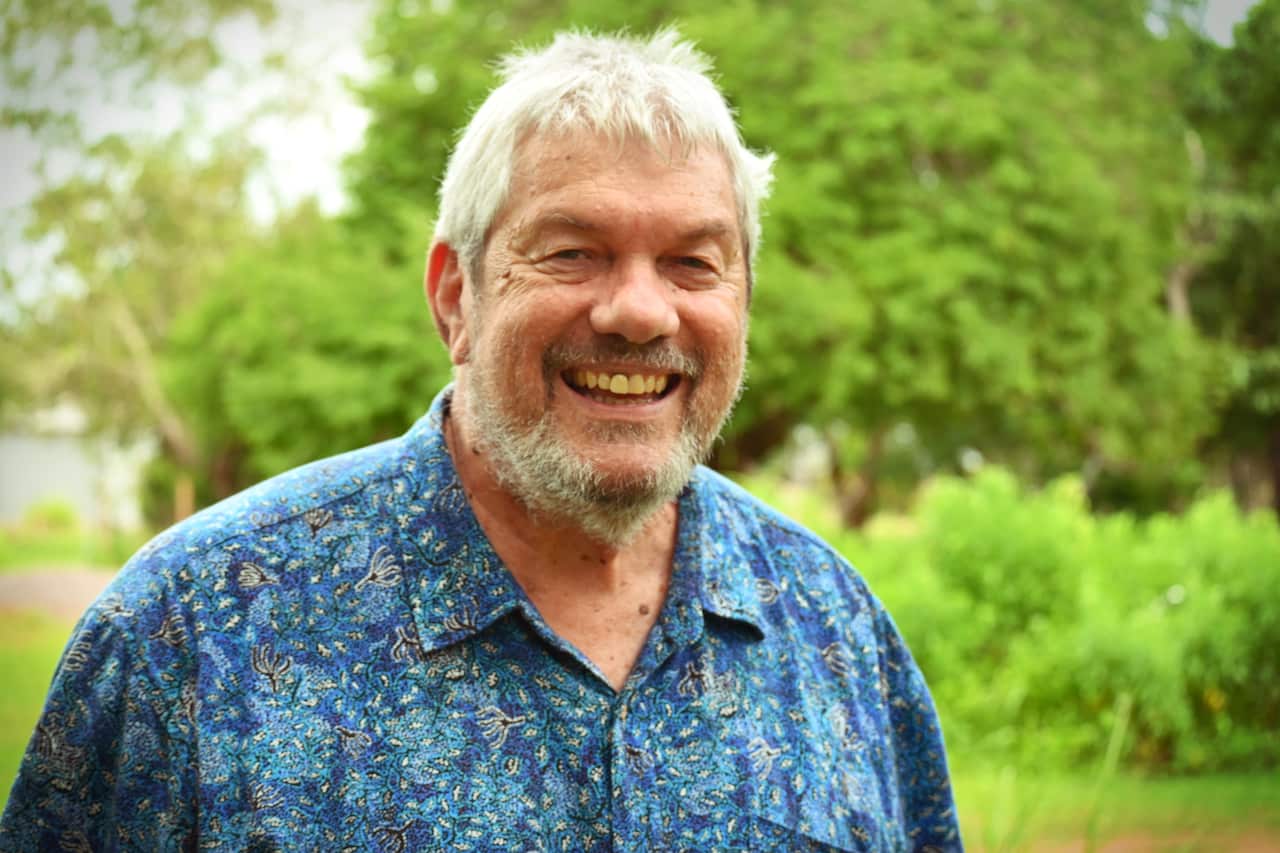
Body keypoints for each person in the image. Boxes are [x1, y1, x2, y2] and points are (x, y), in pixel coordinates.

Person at [0, 29, 961, 852]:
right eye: (572, 250)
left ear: (743, 303)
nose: (638, 309)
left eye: (692, 262)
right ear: (457, 296)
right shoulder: (192, 632)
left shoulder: (840, 638)